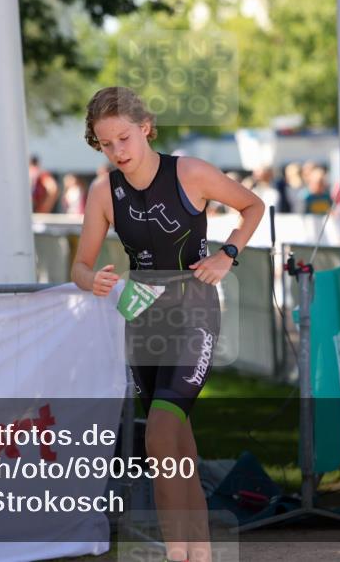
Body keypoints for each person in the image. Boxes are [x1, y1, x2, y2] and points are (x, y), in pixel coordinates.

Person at [71, 87, 264, 562]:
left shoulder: (191, 172)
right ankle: (199, 554)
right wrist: (90, 279)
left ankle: (176, 556)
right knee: (174, 446)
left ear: (146, 127)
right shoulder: (103, 192)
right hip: (140, 314)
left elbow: (253, 206)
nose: (118, 151)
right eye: (106, 144)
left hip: (194, 306)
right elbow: (79, 266)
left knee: (158, 433)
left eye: (124, 138)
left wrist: (228, 254)